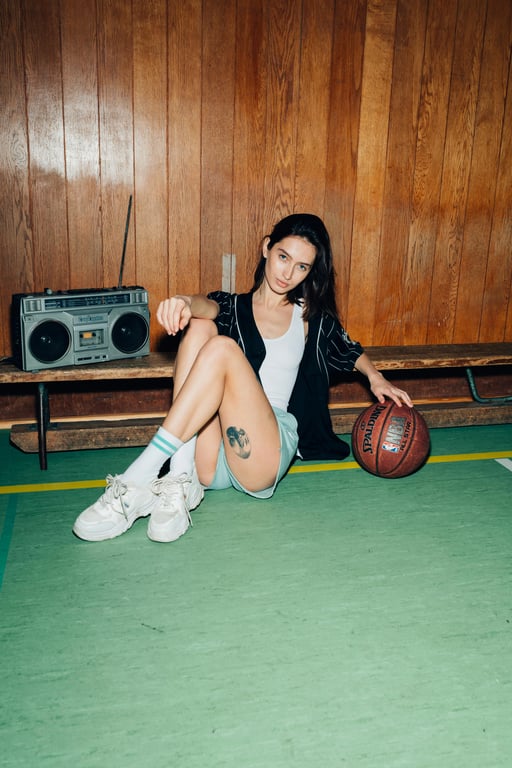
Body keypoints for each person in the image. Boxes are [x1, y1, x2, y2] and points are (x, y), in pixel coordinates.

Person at [72, 213, 412, 543]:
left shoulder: (310, 317)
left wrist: (376, 378)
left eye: (302, 267)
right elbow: (205, 307)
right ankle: (179, 479)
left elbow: (349, 348)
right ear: (266, 247)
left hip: (265, 450)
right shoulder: (233, 307)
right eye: (283, 257)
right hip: (213, 454)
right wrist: (183, 302)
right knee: (203, 326)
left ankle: (136, 479)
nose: (288, 273)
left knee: (222, 347)